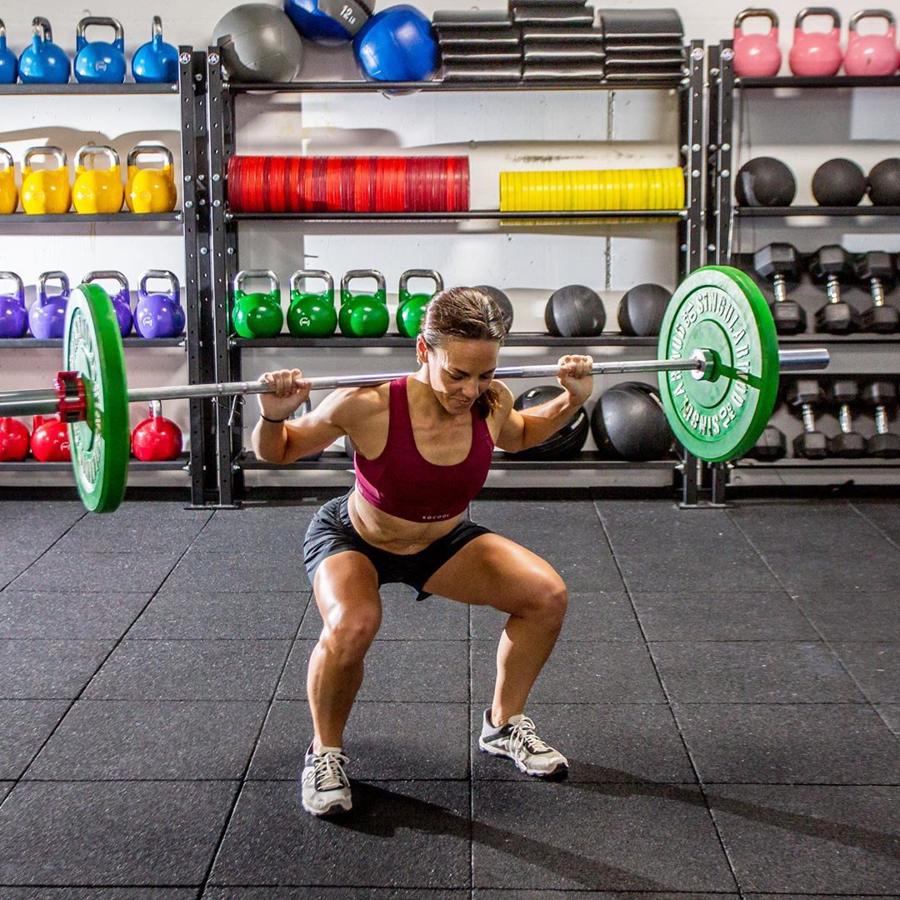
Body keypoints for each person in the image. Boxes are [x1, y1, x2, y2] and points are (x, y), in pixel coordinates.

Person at [253, 286, 594, 816]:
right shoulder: (365, 404)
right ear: (423, 351)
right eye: (457, 374)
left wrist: (571, 399)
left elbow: (522, 433)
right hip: (355, 538)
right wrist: (273, 416)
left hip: (441, 542)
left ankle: (503, 726)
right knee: (352, 625)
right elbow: (279, 453)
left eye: (484, 374)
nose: (470, 389)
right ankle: (325, 753)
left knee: (546, 596)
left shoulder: (492, 400)